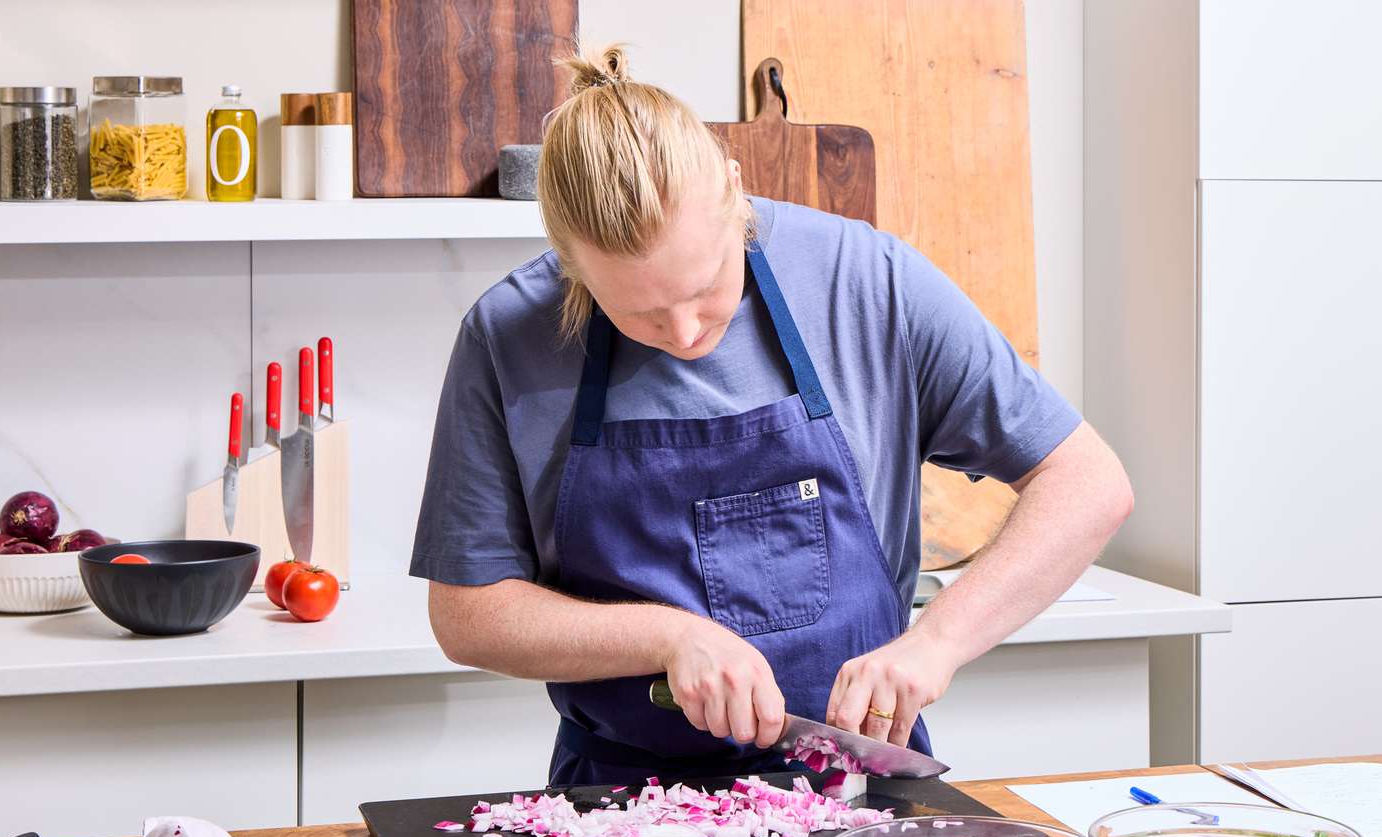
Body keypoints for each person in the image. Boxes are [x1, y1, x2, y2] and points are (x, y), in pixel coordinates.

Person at [410, 45, 1132, 786]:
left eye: (707, 285)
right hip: (619, 807)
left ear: (734, 189)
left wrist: (935, 642)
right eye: (640, 314)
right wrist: (668, 635)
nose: (687, 333)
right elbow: (468, 613)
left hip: (857, 795)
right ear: (569, 262)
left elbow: (1087, 481)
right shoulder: (507, 335)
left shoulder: (868, 284)